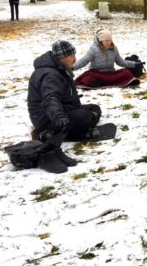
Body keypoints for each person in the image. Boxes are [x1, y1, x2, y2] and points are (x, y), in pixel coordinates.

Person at [28, 40, 102, 173]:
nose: (75, 59)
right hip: (47, 116)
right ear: (62, 58)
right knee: (84, 116)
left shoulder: (59, 68)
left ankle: (65, 132)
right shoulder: (50, 74)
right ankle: (45, 134)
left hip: (61, 109)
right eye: (72, 56)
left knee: (94, 109)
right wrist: (59, 116)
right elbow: (50, 99)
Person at [73, 28, 143, 88]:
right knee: (88, 79)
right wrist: (71, 67)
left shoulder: (114, 49)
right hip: (97, 74)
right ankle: (100, 82)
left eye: (109, 40)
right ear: (101, 40)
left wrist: (135, 64)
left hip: (110, 73)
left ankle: (103, 82)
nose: (108, 42)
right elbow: (83, 61)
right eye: (106, 40)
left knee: (126, 73)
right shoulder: (94, 49)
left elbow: (121, 62)